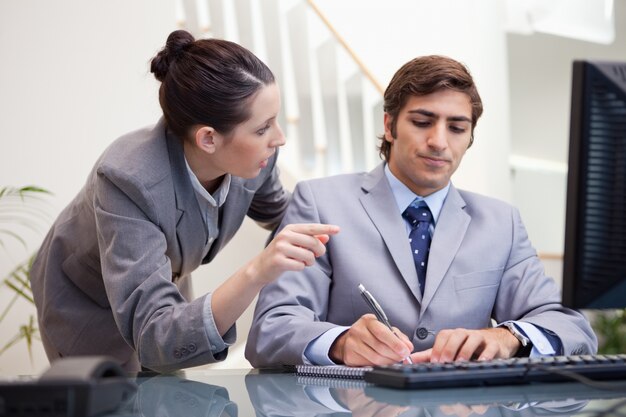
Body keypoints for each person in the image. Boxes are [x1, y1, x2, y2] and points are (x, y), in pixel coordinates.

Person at [245, 55, 597, 368]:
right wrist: (340, 343)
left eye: (457, 128)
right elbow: (271, 330)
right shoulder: (319, 201)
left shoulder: (500, 223)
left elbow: (571, 327)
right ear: (389, 126)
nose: (439, 141)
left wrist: (506, 338)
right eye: (422, 121)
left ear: (469, 137)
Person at [29, 29, 338, 373]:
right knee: (111, 401)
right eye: (263, 127)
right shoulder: (127, 179)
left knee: (167, 391)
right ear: (208, 139)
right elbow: (153, 333)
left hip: (160, 288)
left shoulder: (257, 159)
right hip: (86, 301)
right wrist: (256, 271)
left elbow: (286, 216)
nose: (279, 138)